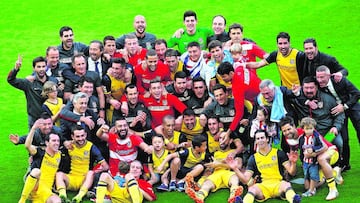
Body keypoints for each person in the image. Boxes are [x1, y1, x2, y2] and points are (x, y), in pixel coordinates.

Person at [227, 129, 301, 203]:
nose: (260, 140)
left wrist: (293, 163)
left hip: (278, 184)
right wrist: (235, 168)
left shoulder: (279, 153)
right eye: (258, 139)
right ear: (255, 141)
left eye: (262, 138)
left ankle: (293, 200)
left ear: (267, 139)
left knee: (286, 184)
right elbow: (245, 179)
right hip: (263, 186)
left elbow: (292, 172)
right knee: (252, 189)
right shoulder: (253, 158)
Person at [279, 116, 341, 200]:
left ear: (294, 126)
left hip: (330, 151)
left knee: (321, 159)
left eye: (289, 129)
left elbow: (325, 147)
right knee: (308, 187)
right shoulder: (288, 138)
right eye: (284, 131)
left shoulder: (307, 130)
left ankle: (333, 189)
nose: (287, 132)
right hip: (314, 160)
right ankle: (334, 172)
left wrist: (313, 154)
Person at [316, 65, 360, 171]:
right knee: (344, 139)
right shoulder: (318, 84)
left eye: (322, 77)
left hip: (352, 108)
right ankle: (345, 164)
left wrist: (344, 106)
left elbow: (357, 93)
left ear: (329, 75)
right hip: (338, 113)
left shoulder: (340, 80)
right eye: (318, 77)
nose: (319, 80)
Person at [291, 76, 345, 156]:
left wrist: (336, 127)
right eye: (306, 88)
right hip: (308, 132)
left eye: (311, 88)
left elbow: (340, 114)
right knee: (299, 143)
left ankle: (336, 163)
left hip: (327, 131)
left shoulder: (328, 99)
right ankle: (307, 163)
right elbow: (283, 95)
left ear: (316, 87)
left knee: (338, 143)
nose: (309, 91)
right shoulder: (298, 99)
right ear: (302, 87)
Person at [185, 132, 243, 203]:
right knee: (206, 184)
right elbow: (208, 168)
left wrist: (219, 164)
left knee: (235, 179)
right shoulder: (214, 153)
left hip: (228, 173)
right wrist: (201, 180)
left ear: (230, 140)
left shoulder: (234, 152)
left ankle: (233, 196)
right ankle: (199, 197)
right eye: (220, 138)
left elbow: (238, 166)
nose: (222, 141)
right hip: (215, 174)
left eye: (224, 138)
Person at [56, 125, 109, 203]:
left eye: (82, 136)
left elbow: (105, 166)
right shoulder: (69, 146)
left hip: (84, 180)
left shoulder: (91, 147)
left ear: (86, 135)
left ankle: (79, 197)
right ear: (72, 136)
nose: (81, 139)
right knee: (59, 174)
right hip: (71, 178)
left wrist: (95, 171)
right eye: (77, 136)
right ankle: (63, 196)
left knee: (90, 173)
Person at [7, 55, 59, 129]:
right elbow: (11, 80)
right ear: (34, 68)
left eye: (43, 66)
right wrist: (16, 69)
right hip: (35, 121)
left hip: (51, 121)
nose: (41, 69)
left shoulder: (53, 81)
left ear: (46, 67)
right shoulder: (29, 83)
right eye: (38, 67)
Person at [18, 119, 63, 203]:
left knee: (57, 201)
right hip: (35, 186)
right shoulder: (40, 152)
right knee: (36, 171)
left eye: (58, 141)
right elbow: (27, 146)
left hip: (47, 191)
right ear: (47, 143)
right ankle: (22, 200)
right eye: (53, 141)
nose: (56, 143)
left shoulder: (59, 155)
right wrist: (33, 129)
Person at [217, 62, 261, 138]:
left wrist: (228, 133)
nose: (223, 80)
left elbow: (239, 114)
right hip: (264, 90)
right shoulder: (239, 68)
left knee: (253, 131)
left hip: (261, 102)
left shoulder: (237, 89)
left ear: (231, 73)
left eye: (224, 77)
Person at [63, 54, 105, 118]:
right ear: (73, 66)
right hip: (78, 107)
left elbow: (100, 93)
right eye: (78, 64)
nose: (81, 66)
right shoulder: (69, 80)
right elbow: (66, 96)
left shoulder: (94, 75)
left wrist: (102, 110)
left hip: (94, 104)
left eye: (83, 63)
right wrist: (80, 97)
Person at [298, 117, 327, 197]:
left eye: (311, 128)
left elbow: (321, 146)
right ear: (303, 129)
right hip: (305, 162)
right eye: (307, 129)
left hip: (313, 161)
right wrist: (301, 160)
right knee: (306, 177)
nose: (309, 130)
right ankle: (322, 181)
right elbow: (300, 149)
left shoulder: (316, 137)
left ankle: (311, 191)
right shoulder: (301, 138)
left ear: (314, 128)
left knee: (313, 175)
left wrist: (313, 149)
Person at [102, 58, 128, 125]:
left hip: (127, 105)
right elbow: (105, 97)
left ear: (123, 69)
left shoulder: (129, 77)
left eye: (117, 69)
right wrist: (111, 101)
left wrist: (124, 102)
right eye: (113, 68)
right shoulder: (107, 79)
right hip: (112, 107)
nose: (114, 71)